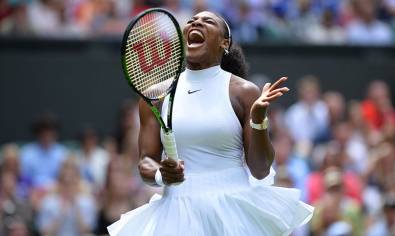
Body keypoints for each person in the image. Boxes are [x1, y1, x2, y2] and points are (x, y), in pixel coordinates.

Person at [108, 11, 313, 236]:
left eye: (208, 21)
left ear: (224, 42)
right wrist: (161, 174)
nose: (196, 22)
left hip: (234, 209)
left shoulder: (244, 92)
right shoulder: (155, 97)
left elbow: (261, 169)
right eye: (192, 21)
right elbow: (146, 161)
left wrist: (258, 120)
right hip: (177, 214)